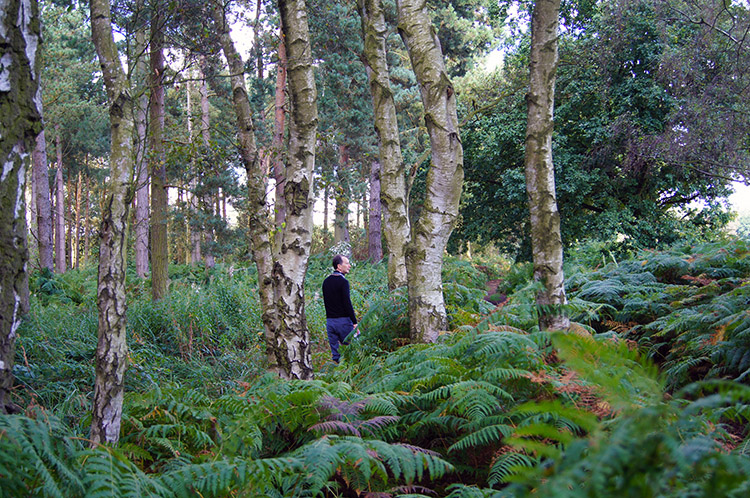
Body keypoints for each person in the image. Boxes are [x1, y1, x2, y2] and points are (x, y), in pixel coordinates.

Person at [322, 254, 358, 363]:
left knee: (336, 355)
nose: (349, 266)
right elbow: (347, 303)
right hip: (343, 322)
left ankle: (337, 376)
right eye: (346, 263)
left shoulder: (326, 282)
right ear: (339, 266)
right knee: (352, 352)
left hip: (330, 322)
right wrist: (354, 322)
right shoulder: (343, 282)